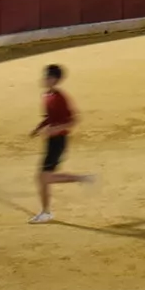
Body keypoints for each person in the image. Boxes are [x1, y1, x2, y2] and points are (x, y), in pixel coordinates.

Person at [28, 64, 94, 224]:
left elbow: (73, 120)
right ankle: (83, 179)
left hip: (58, 142)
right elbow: (50, 118)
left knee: (44, 177)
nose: (45, 79)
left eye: (49, 77)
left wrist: (56, 130)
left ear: (56, 80)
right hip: (52, 141)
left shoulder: (60, 97)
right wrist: (39, 128)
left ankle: (46, 212)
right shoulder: (47, 96)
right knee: (43, 177)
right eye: (46, 76)